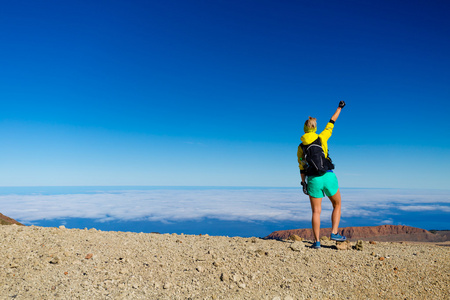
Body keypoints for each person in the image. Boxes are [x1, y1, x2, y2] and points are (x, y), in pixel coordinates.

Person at [297, 101, 347, 249]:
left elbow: (301, 167)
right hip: (328, 176)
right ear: (315, 128)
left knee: (316, 211)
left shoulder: (301, 147)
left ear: (305, 129)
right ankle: (334, 232)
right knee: (337, 204)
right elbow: (332, 122)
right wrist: (339, 108)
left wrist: (304, 183)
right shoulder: (322, 137)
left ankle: (317, 242)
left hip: (313, 179)